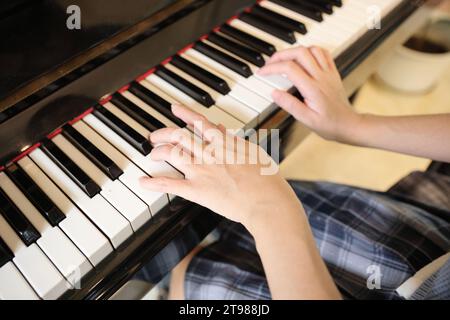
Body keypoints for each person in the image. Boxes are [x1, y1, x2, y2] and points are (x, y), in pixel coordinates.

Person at [139, 46, 450, 300]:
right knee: (226, 204)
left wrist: (271, 210)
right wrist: (354, 124)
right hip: (425, 246)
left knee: (188, 266)